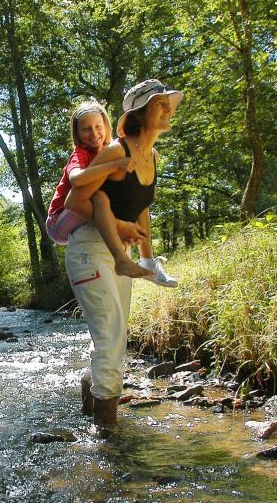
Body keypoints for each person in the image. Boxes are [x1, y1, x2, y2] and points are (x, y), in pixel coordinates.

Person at [64, 79, 184, 425]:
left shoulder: (152, 156)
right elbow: (75, 200)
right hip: (89, 249)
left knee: (111, 336)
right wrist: (119, 226)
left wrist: (148, 257)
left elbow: (142, 207)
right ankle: (108, 437)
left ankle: (91, 398)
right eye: (158, 103)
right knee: (112, 338)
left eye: (167, 103)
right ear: (139, 113)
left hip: (118, 253)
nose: (166, 108)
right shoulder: (117, 151)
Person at [46, 102, 152, 278]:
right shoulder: (80, 154)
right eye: (86, 129)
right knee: (100, 197)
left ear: (106, 127)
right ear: (77, 134)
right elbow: (77, 179)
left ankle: (147, 258)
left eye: (98, 127)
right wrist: (114, 165)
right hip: (58, 222)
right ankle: (121, 261)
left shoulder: (110, 149)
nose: (94, 133)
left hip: (76, 215)